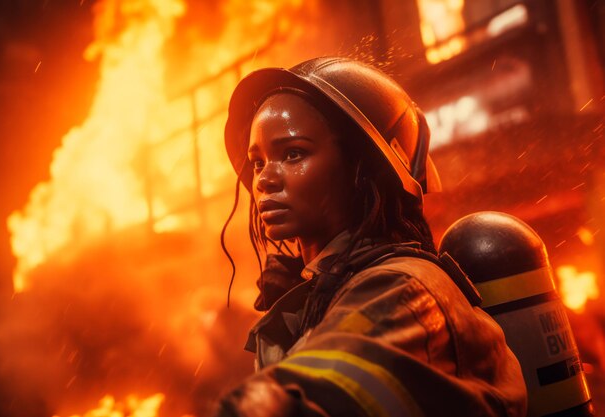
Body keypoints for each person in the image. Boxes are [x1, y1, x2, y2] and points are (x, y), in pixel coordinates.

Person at [218, 57, 527, 417]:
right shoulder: (324, 296)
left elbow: (305, 404)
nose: (264, 180)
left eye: (293, 153)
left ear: (363, 169)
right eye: (258, 162)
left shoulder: (403, 291)